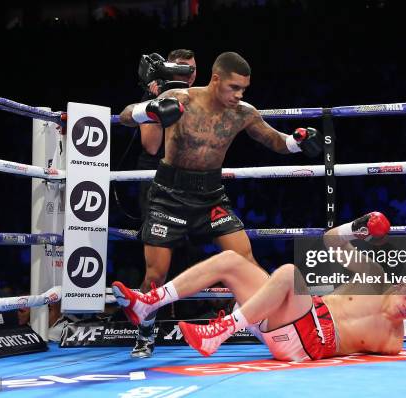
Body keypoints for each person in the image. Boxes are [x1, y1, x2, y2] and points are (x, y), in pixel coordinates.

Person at [117, 51, 323, 358]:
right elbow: (124, 115)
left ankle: (267, 326)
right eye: (234, 88)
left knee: (245, 259)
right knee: (155, 274)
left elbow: (274, 140)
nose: (239, 95)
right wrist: (150, 108)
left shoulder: (243, 113)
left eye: (243, 89)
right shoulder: (180, 98)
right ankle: (145, 336)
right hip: (168, 193)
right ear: (216, 79)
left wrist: (297, 141)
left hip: (211, 195)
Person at [112, 212, 406, 360]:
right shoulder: (373, 276)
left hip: (312, 343)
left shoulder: (392, 343)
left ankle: (222, 331)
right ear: (401, 285)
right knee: (230, 261)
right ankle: (149, 303)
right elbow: (330, 240)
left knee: (287, 273)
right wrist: (358, 227)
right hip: (294, 320)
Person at [137, 49, 197, 217]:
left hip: (187, 177)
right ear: (169, 68)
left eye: (193, 68)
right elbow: (151, 147)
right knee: (156, 238)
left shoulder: (199, 98)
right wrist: (157, 101)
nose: (190, 72)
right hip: (156, 176)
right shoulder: (151, 97)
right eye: (184, 67)